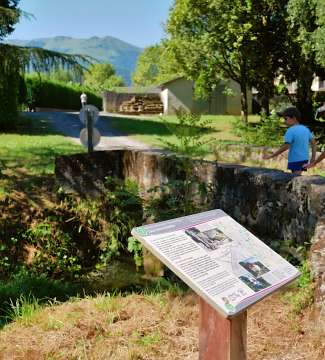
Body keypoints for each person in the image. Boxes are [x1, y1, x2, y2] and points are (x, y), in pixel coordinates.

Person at [262, 107, 317, 175]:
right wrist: (313, 158)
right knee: (297, 178)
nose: (284, 121)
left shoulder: (290, 131)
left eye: (286, 119)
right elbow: (314, 143)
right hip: (304, 159)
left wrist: (272, 155)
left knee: (295, 179)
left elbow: (286, 146)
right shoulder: (306, 129)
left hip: (295, 160)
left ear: (293, 118)